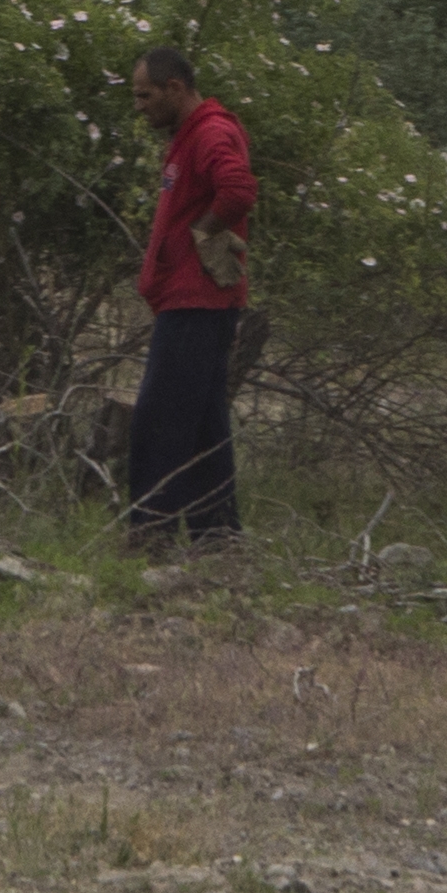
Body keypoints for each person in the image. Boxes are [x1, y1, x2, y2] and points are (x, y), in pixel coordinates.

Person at [126, 45, 253, 544]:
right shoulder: (191, 135)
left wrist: (204, 236)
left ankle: (151, 532)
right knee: (203, 426)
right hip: (191, 300)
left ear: (174, 89)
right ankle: (217, 536)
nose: (139, 106)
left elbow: (239, 191)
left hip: (197, 302)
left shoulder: (210, 132)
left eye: (145, 95)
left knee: (158, 419)